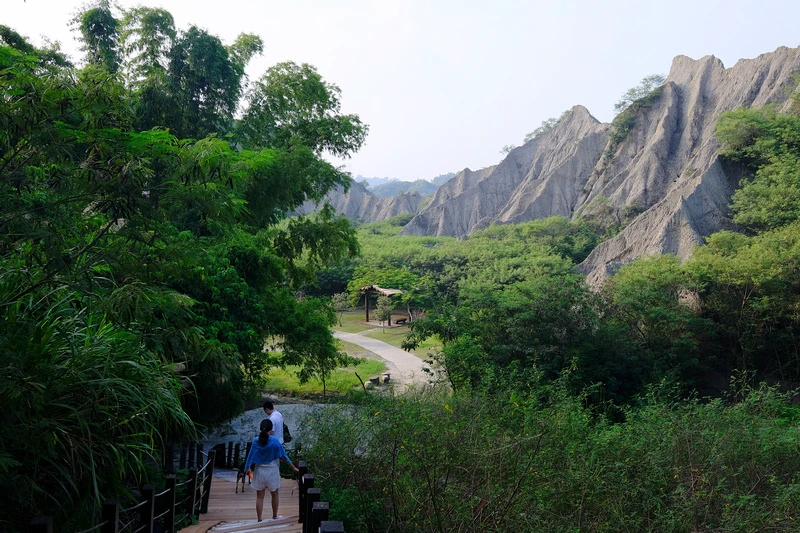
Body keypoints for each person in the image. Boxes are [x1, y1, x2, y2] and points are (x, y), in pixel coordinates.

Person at [243, 418, 299, 521]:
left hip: (259, 470)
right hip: (272, 470)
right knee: (275, 494)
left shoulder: (256, 441)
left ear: (260, 429)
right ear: (271, 429)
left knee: (260, 496)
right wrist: (293, 467)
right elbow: (283, 456)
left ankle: (259, 519)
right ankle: (274, 516)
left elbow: (250, 457)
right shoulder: (275, 441)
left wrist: (247, 469)